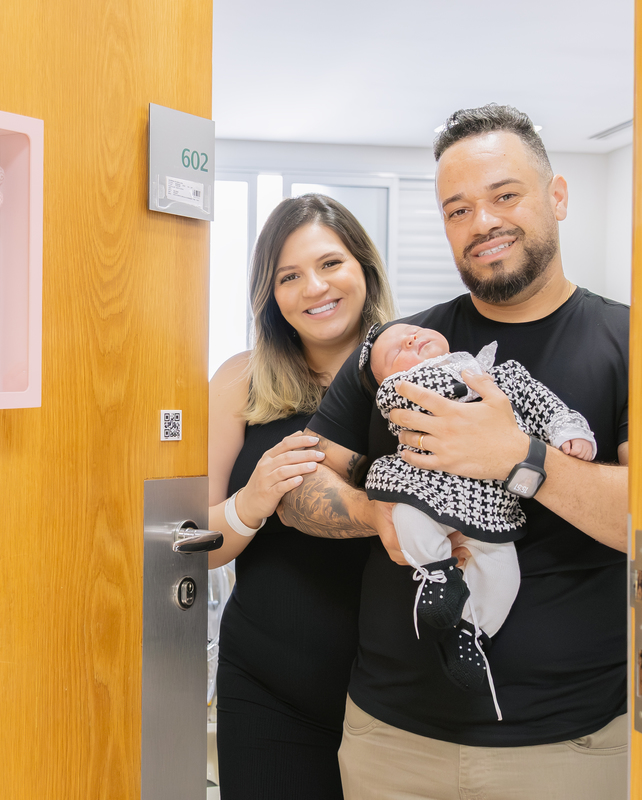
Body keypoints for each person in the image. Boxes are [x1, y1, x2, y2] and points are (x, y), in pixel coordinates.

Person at [278, 105, 630, 799]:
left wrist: (519, 457)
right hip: (390, 739)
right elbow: (298, 487)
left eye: (505, 195)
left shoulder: (630, 342)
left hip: (568, 746)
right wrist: (380, 516)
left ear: (556, 195)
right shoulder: (398, 348)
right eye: (458, 209)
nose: (482, 223)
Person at [207, 194, 396, 799]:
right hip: (267, 684)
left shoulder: (417, 369)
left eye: (330, 264)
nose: (314, 288)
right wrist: (251, 502)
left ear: (363, 268)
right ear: (271, 294)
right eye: (289, 276)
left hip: (396, 688)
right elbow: (197, 543)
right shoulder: (241, 379)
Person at [361, 323, 596, 717]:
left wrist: (567, 430)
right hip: (426, 486)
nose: (412, 339)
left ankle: (470, 633)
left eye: (414, 331)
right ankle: (438, 574)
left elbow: (542, 403)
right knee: (408, 518)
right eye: (395, 350)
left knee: (503, 572)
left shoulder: (502, 374)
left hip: (489, 501)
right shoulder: (400, 389)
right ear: (387, 375)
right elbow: (407, 399)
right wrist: (462, 380)